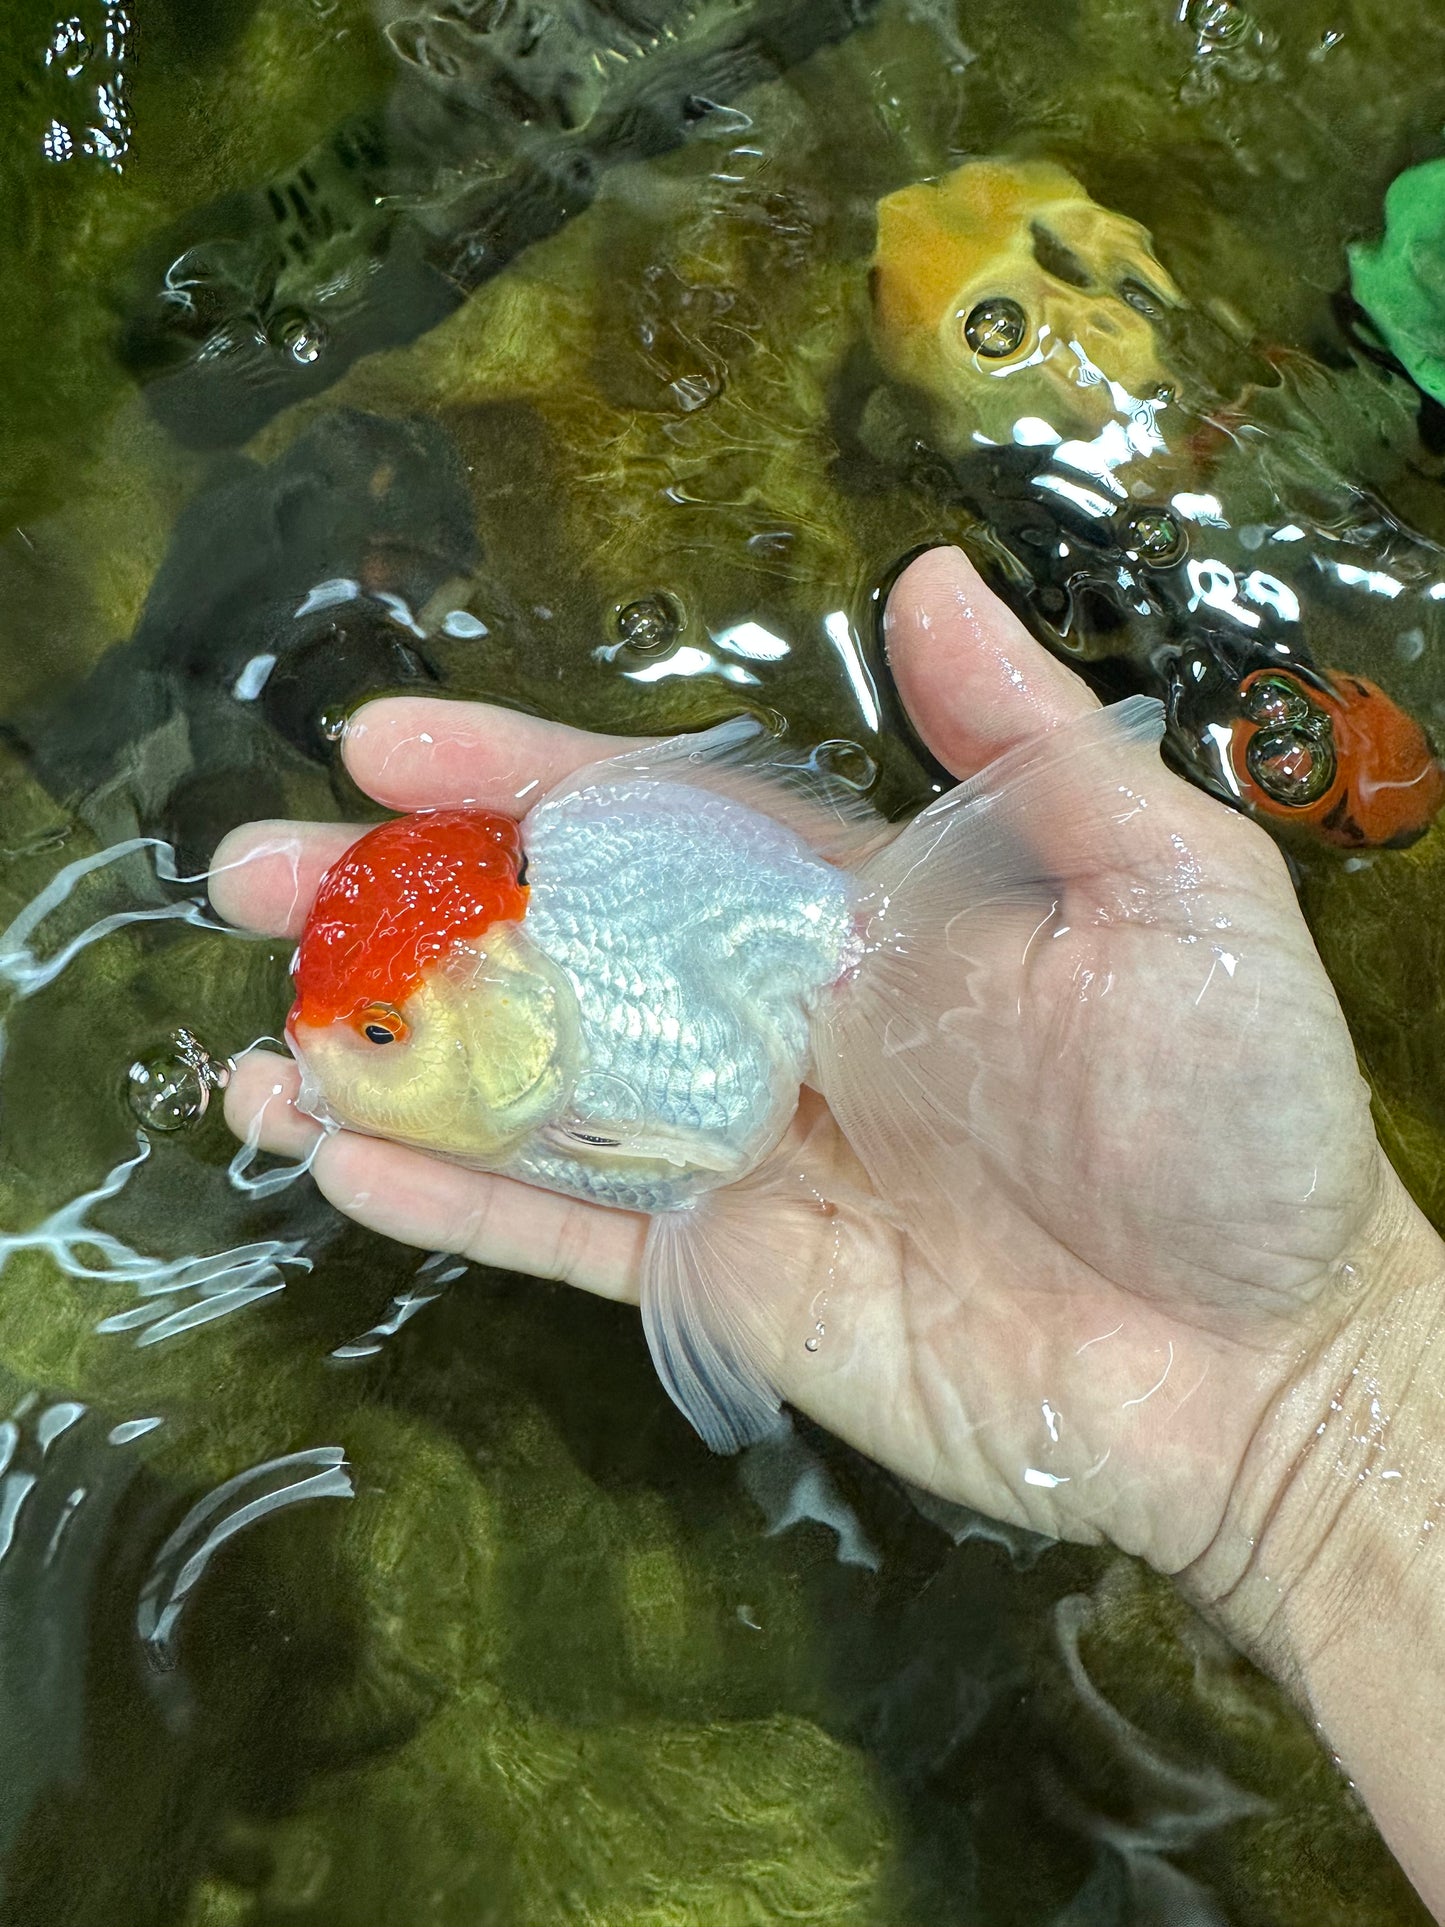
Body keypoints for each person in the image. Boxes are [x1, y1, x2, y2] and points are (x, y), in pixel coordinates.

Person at [211, 546, 1445, 1917]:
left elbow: (694, 1162)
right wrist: (1316, 1426)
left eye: (383, 1035)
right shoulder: (549, 1011)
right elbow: (691, 1172)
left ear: (498, 996)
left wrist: (1317, 1399)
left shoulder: (618, 941)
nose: (340, 1065)